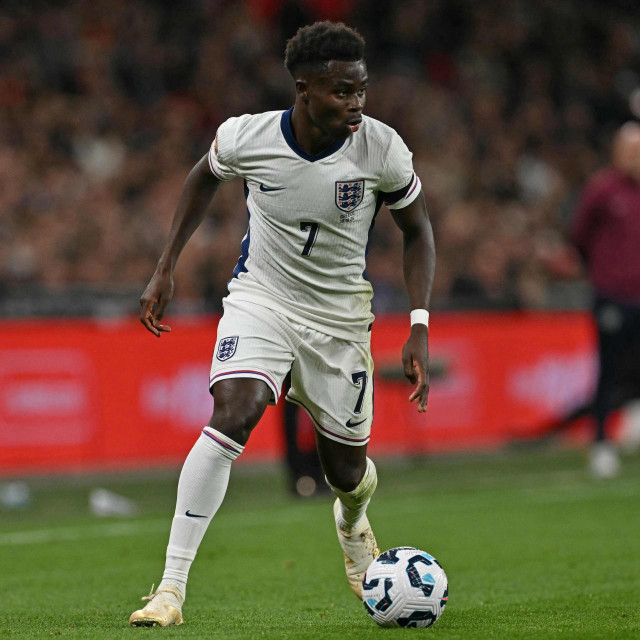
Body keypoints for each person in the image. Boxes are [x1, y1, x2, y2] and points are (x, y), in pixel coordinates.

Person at [129, 21, 435, 627]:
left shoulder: (381, 147)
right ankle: (170, 590)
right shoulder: (248, 138)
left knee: (347, 473)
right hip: (261, 300)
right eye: (341, 91)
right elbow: (201, 179)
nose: (356, 103)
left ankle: (352, 522)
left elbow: (418, 230)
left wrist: (419, 322)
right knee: (233, 413)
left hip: (341, 323)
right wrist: (165, 267)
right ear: (303, 87)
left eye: (361, 89)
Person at [571, 121, 640, 478]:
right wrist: (602, 271)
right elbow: (579, 235)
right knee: (608, 372)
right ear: (617, 152)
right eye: (630, 150)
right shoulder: (603, 190)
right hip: (612, 295)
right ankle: (600, 443)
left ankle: (632, 425)